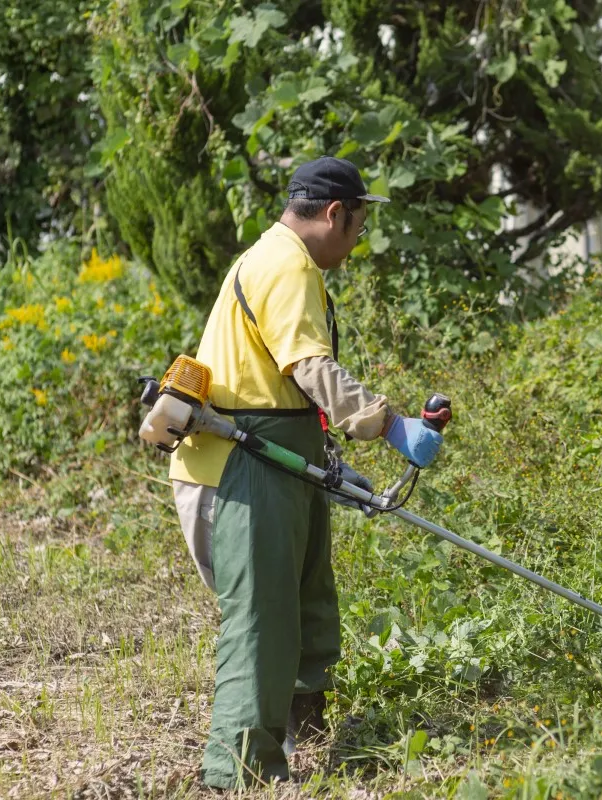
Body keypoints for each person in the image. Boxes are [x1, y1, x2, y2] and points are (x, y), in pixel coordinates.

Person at [168, 155, 445, 789]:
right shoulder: (287, 266)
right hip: (239, 466)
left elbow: (281, 386)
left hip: (276, 454)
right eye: (359, 224)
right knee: (262, 623)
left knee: (307, 600)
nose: (358, 238)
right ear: (334, 214)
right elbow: (309, 369)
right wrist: (389, 425)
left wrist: (333, 463)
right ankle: (239, 773)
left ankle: (303, 723)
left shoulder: (280, 258)